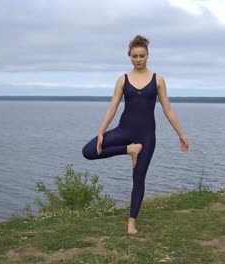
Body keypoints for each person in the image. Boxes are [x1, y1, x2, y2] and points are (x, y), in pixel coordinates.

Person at [82, 35, 189, 235]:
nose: (138, 59)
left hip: (147, 136)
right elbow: (113, 106)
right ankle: (130, 150)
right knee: (88, 151)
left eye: (142, 56)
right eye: (134, 56)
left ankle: (131, 223)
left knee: (138, 178)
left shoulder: (158, 79)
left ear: (148, 56)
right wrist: (101, 131)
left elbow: (168, 109)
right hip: (124, 131)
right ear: (129, 56)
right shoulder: (123, 79)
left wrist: (180, 134)